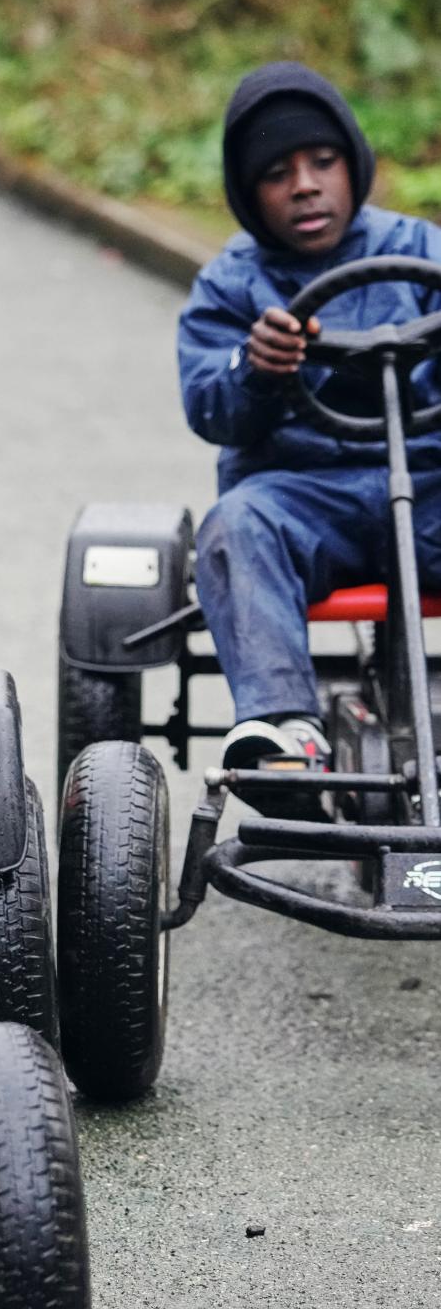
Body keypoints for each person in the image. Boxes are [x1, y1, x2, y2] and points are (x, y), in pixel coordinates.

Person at [178, 61, 441, 795]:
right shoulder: (231, 284)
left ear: (351, 166)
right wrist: (255, 369)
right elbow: (207, 408)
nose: (304, 185)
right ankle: (286, 728)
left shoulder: (420, 251)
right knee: (235, 522)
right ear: (248, 194)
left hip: (426, 490)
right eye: (277, 173)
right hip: (303, 502)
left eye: (322, 162)